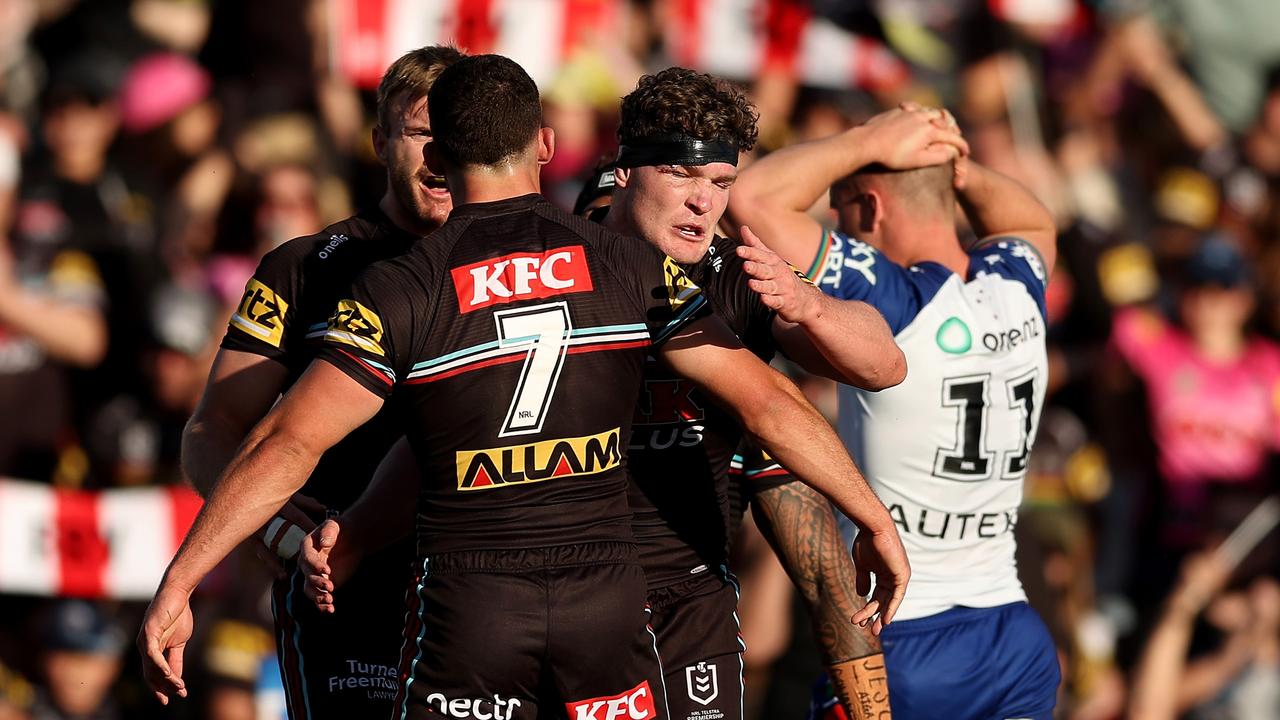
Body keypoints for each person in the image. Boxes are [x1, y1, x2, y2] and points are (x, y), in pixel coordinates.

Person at [139, 54, 908, 720]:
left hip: (475, 606)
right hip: (604, 607)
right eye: (682, 175)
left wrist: (181, 581)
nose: (705, 201)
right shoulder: (626, 268)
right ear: (546, 145)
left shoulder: (406, 287)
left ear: (445, 155)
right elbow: (772, 402)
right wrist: (873, 517)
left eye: (717, 182)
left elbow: (291, 439)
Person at [727, 103, 1061, 720]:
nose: (833, 221)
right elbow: (1034, 221)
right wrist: (952, 158)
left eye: (843, 205)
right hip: (1013, 635)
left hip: (899, 640)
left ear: (872, 207)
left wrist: (870, 138)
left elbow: (754, 198)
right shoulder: (1014, 287)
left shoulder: (897, 298)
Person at [177, 45, 463, 719]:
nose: (440, 157)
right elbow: (210, 431)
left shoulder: (526, 261)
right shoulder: (302, 268)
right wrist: (273, 527)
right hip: (341, 585)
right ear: (379, 141)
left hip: (482, 582)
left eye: (457, 137)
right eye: (422, 135)